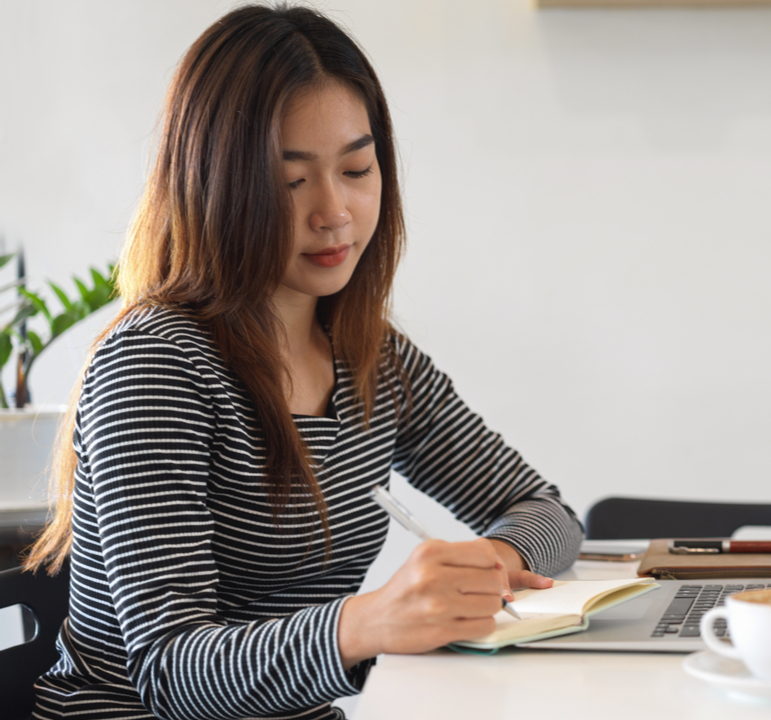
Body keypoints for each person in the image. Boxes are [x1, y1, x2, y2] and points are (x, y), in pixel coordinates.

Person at [21, 5, 584, 719]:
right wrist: (369, 622)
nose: (335, 212)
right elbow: (172, 671)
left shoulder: (374, 360)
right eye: (292, 183)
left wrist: (492, 566)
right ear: (214, 184)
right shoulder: (155, 366)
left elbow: (547, 513)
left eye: (356, 168)